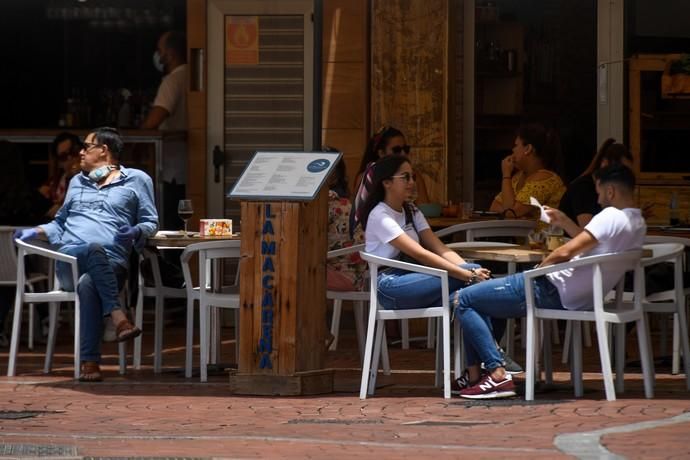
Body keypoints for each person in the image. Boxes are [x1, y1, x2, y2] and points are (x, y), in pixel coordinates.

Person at [454, 164, 645, 399]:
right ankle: (476, 377)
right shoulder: (637, 223)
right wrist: (564, 222)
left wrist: (537, 270)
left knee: (464, 299)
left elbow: (566, 252)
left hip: (550, 288)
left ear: (610, 191)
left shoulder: (610, 215)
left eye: (598, 191)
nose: (597, 197)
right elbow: (596, 246)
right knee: (483, 298)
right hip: (579, 297)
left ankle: (495, 374)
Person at [14, 127, 158, 382]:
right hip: (70, 260)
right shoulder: (77, 181)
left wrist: (136, 231)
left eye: (86, 146)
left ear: (104, 150)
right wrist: (35, 231)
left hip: (113, 264)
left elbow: (150, 222)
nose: (80, 152)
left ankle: (90, 363)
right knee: (92, 249)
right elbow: (60, 223)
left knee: (89, 283)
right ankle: (118, 317)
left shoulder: (137, 179)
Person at [362, 154, 491, 312]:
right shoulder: (380, 216)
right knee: (475, 284)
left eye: (413, 177)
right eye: (405, 177)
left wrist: (467, 268)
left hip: (416, 276)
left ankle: (485, 330)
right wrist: (468, 274)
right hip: (390, 285)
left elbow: (439, 248)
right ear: (387, 182)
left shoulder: (411, 210)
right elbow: (421, 254)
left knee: (468, 299)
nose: (412, 182)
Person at [141, 30, 188, 230]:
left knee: (170, 222)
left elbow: (154, 120)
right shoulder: (193, 76)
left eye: (160, 50)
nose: (158, 55)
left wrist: (137, 141)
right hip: (187, 165)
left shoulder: (172, 81)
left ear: (170, 53)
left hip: (173, 169)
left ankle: (171, 261)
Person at [350, 125, 430, 238]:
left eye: (406, 149)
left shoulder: (413, 208)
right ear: (381, 153)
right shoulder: (367, 178)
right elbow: (360, 213)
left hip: (410, 232)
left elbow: (424, 208)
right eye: (396, 150)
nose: (403, 154)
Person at [558, 138, 633, 234]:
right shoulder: (583, 188)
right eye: (621, 171)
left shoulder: (611, 191)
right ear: (604, 164)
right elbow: (589, 233)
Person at [490, 123, 566, 218]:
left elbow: (510, 212)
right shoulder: (518, 177)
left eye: (516, 145)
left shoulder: (544, 178)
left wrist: (506, 175)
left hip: (544, 233)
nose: (513, 150)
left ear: (528, 149)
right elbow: (494, 207)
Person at [326, 152, 366, 291]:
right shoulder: (345, 203)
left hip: (340, 274)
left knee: (292, 274)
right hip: (357, 275)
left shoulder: (325, 204)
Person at [38, 132, 83, 219]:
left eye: (73, 152)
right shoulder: (55, 182)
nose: (70, 158)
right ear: (60, 163)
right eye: (64, 156)